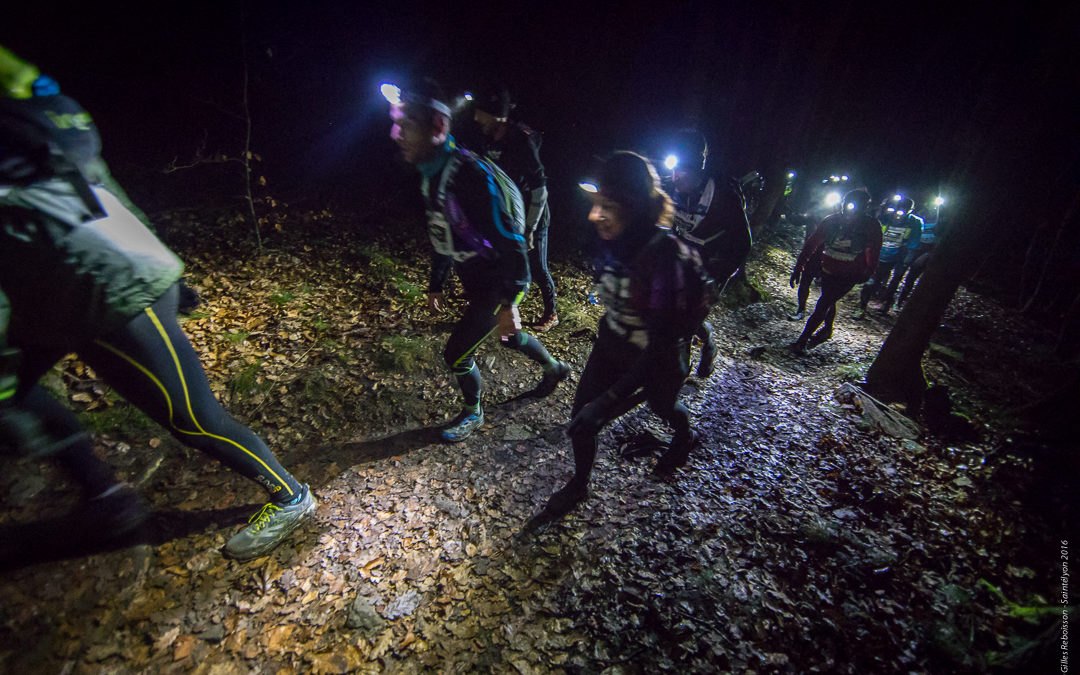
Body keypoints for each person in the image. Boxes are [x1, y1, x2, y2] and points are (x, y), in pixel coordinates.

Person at [0, 45, 315, 561]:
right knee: (13, 395)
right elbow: (109, 192)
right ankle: (102, 495)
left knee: (194, 419)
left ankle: (291, 496)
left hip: (115, 292)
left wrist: (162, 273)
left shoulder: (27, 142)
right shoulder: (40, 132)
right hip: (67, 300)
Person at [526, 151, 708, 528]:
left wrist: (609, 399)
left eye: (606, 206)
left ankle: (685, 433)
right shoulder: (615, 239)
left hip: (658, 360)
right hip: (612, 348)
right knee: (581, 419)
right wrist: (598, 392)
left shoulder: (665, 257)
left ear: (633, 206)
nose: (595, 215)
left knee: (663, 407)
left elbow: (659, 344)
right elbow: (614, 304)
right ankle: (579, 485)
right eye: (595, 204)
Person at [383, 78, 570, 442]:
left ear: (438, 126)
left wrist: (510, 302)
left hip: (497, 283)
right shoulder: (433, 175)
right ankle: (554, 368)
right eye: (395, 122)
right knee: (509, 338)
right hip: (478, 279)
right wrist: (437, 282)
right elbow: (444, 234)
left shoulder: (469, 175)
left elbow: (515, 245)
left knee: (456, 354)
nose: (395, 133)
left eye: (405, 125)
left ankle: (473, 413)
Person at [661, 129, 752, 377]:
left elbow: (743, 242)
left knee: (689, 321)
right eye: (673, 169)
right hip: (681, 258)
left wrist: (718, 277)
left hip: (712, 264)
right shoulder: (671, 187)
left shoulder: (723, 196)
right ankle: (704, 339)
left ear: (699, 168)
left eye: (682, 171)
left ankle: (679, 374)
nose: (675, 176)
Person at [469, 85, 558, 331]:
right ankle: (501, 306)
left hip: (534, 216)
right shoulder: (485, 137)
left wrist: (529, 229)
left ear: (498, 114)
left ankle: (552, 312)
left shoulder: (522, 141)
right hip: (509, 214)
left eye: (482, 113)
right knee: (504, 259)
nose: (476, 118)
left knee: (538, 267)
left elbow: (540, 190)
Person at [790, 189, 883, 352]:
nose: (850, 208)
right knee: (828, 300)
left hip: (851, 274)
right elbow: (812, 243)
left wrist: (868, 273)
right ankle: (827, 330)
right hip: (829, 270)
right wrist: (799, 266)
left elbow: (874, 251)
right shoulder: (831, 221)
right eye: (848, 203)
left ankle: (802, 341)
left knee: (823, 303)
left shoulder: (871, 226)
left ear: (865, 208)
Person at [854, 195, 921, 318]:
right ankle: (861, 308)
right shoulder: (884, 218)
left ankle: (885, 307)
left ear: (909, 210)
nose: (898, 214)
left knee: (894, 282)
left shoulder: (915, 222)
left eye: (903, 210)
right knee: (870, 281)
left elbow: (914, 243)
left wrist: (906, 260)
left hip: (900, 258)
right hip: (882, 254)